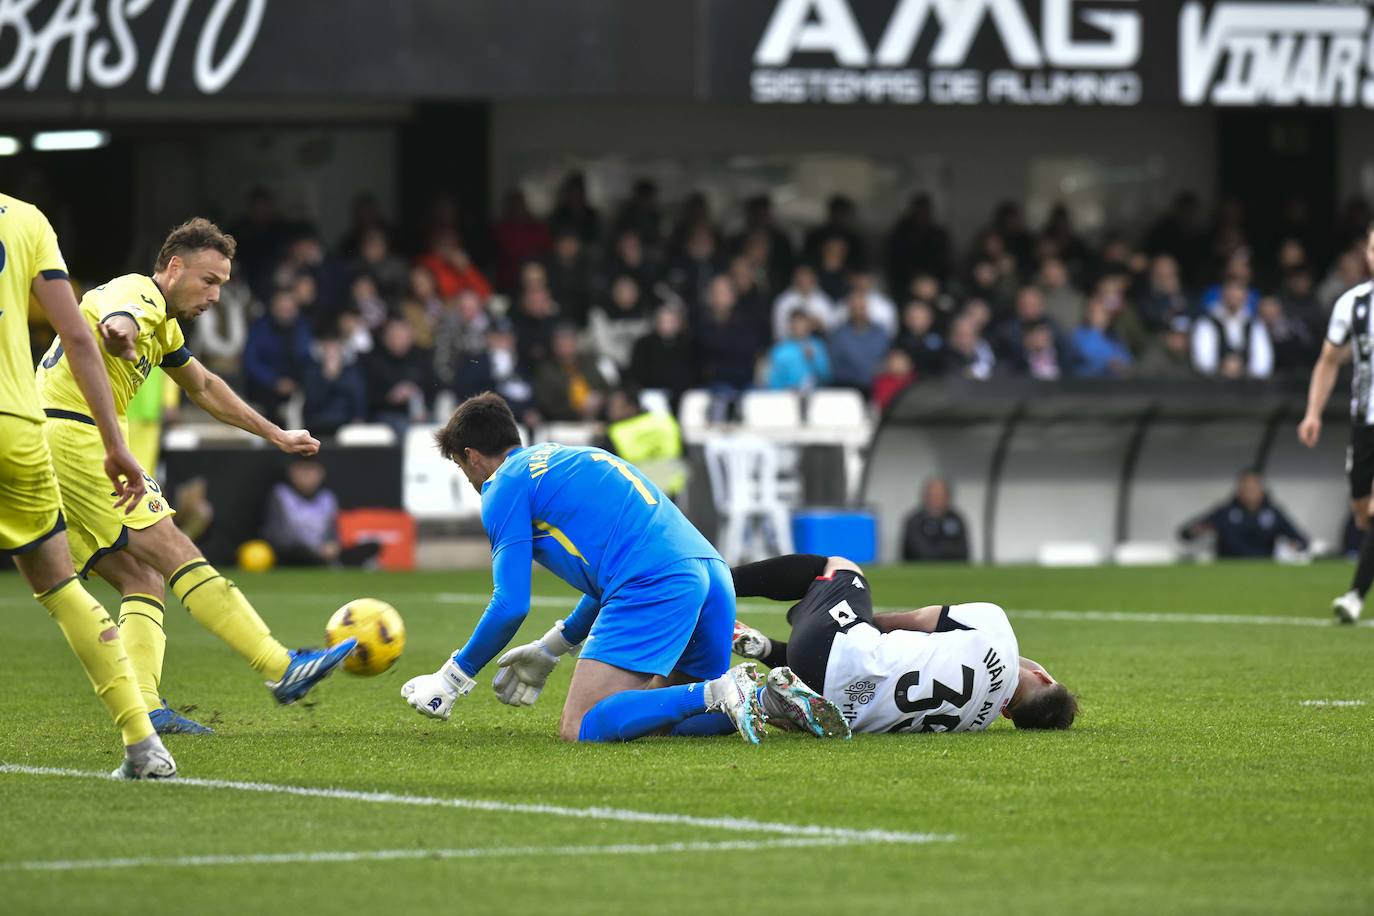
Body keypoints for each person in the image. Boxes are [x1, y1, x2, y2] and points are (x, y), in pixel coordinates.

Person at [35, 218, 357, 737]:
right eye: (209, 281)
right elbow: (121, 316)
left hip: (54, 444)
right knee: (177, 550)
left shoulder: (167, 327)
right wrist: (120, 331)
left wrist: (274, 434)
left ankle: (145, 708)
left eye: (223, 285)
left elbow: (204, 386)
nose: (215, 294)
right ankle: (279, 666)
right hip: (76, 439)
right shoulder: (138, 292)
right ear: (175, 267)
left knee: (142, 579)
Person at [401, 393, 849, 743]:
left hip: (656, 581)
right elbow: (607, 574)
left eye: (463, 469)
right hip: (711, 572)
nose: (472, 481)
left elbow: (510, 604)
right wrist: (553, 647)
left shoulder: (503, 486)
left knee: (581, 726)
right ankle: (765, 698)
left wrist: (452, 678)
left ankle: (723, 690)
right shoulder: (568, 458)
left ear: (473, 456)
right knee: (657, 715)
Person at [0, 192, 174, 780]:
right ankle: (142, 742)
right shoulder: (26, 220)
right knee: (59, 587)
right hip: (20, 424)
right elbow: (77, 335)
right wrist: (114, 443)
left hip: (46, 430)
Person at [730, 554, 1076, 733]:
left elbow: (910, 621)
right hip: (834, 706)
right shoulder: (976, 722)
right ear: (1005, 711)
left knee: (840, 568)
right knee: (859, 671)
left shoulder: (998, 630)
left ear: (1043, 676)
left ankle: (717, 580)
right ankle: (766, 654)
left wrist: (847, 615)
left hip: (830, 645)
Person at [1299, 223, 1374, 622]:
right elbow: (1329, 361)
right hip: (1365, 421)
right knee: (1363, 511)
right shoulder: (1353, 304)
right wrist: (1313, 412)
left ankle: (1355, 596)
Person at [261, 458, 380, 568]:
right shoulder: (281, 494)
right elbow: (277, 536)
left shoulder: (327, 498)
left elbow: (332, 532)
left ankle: (332, 562)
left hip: (323, 551)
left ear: (321, 473)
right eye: (302, 469)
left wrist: (332, 545)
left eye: (312, 469)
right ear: (292, 471)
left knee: (372, 546)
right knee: (297, 553)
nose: (307, 475)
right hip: (294, 553)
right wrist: (313, 550)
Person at [1177, 469, 1308, 559]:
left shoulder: (1273, 514)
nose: (1250, 492)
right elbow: (1186, 534)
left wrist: (1293, 546)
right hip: (1227, 568)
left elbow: (1302, 541)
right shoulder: (1225, 512)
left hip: (1264, 568)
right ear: (1239, 490)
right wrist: (1199, 529)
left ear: (1262, 490)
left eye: (1253, 488)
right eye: (1246, 488)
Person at [901, 478, 970, 562]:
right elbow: (919, 552)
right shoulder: (914, 520)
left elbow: (962, 552)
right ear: (925, 496)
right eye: (933, 495)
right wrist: (946, 550)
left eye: (940, 495)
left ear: (948, 497)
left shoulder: (956, 519)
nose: (936, 499)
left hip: (951, 572)